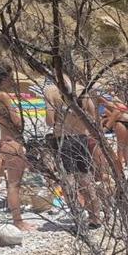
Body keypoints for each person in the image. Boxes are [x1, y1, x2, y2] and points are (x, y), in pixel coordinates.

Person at [44, 80, 103, 229]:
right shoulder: (81, 88)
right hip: (82, 138)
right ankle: (95, 217)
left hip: (64, 139)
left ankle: (77, 217)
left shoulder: (51, 90)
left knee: (68, 181)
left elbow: (50, 121)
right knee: (86, 178)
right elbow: (93, 116)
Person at [0, 65, 36, 231]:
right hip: (12, 142)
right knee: (15, 184)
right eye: (10, 78)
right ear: (4, 78)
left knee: (12, 182)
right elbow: (17, 122)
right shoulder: (3, 96)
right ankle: (18, 220)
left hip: (4, 141)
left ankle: (16, 217)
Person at [98, 93, 128, 172]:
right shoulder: (109, 104)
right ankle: (120, 166)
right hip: (120, 122)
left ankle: (127, 164)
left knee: (125, 146)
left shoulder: (117, 100)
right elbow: (112, 115)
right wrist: (106, 127)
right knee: (120, 146)